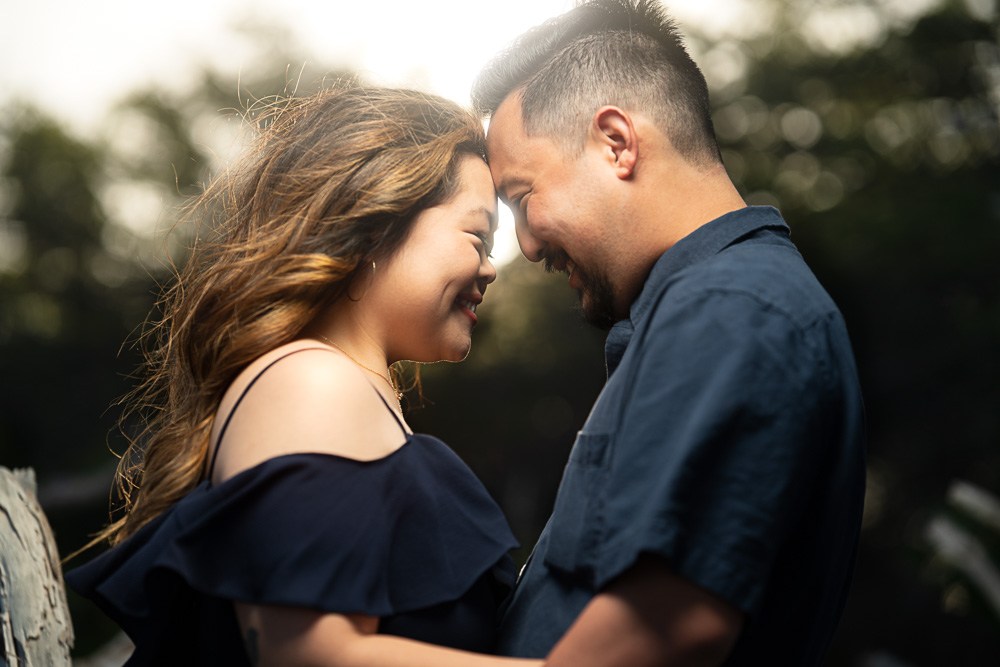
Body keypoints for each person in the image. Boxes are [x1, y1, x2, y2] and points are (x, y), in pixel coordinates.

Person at [66, 86, 546, 667]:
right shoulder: (313, 382)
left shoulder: (341, 391)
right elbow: (306, 653)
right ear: (375, 224)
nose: (492, 268)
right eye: (477, 236)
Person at [471, 0, 867, 665]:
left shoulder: (735, 308)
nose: (528, 245)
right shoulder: (709, 307)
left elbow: (659, 634)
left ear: (617, 143)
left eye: (520, 197)